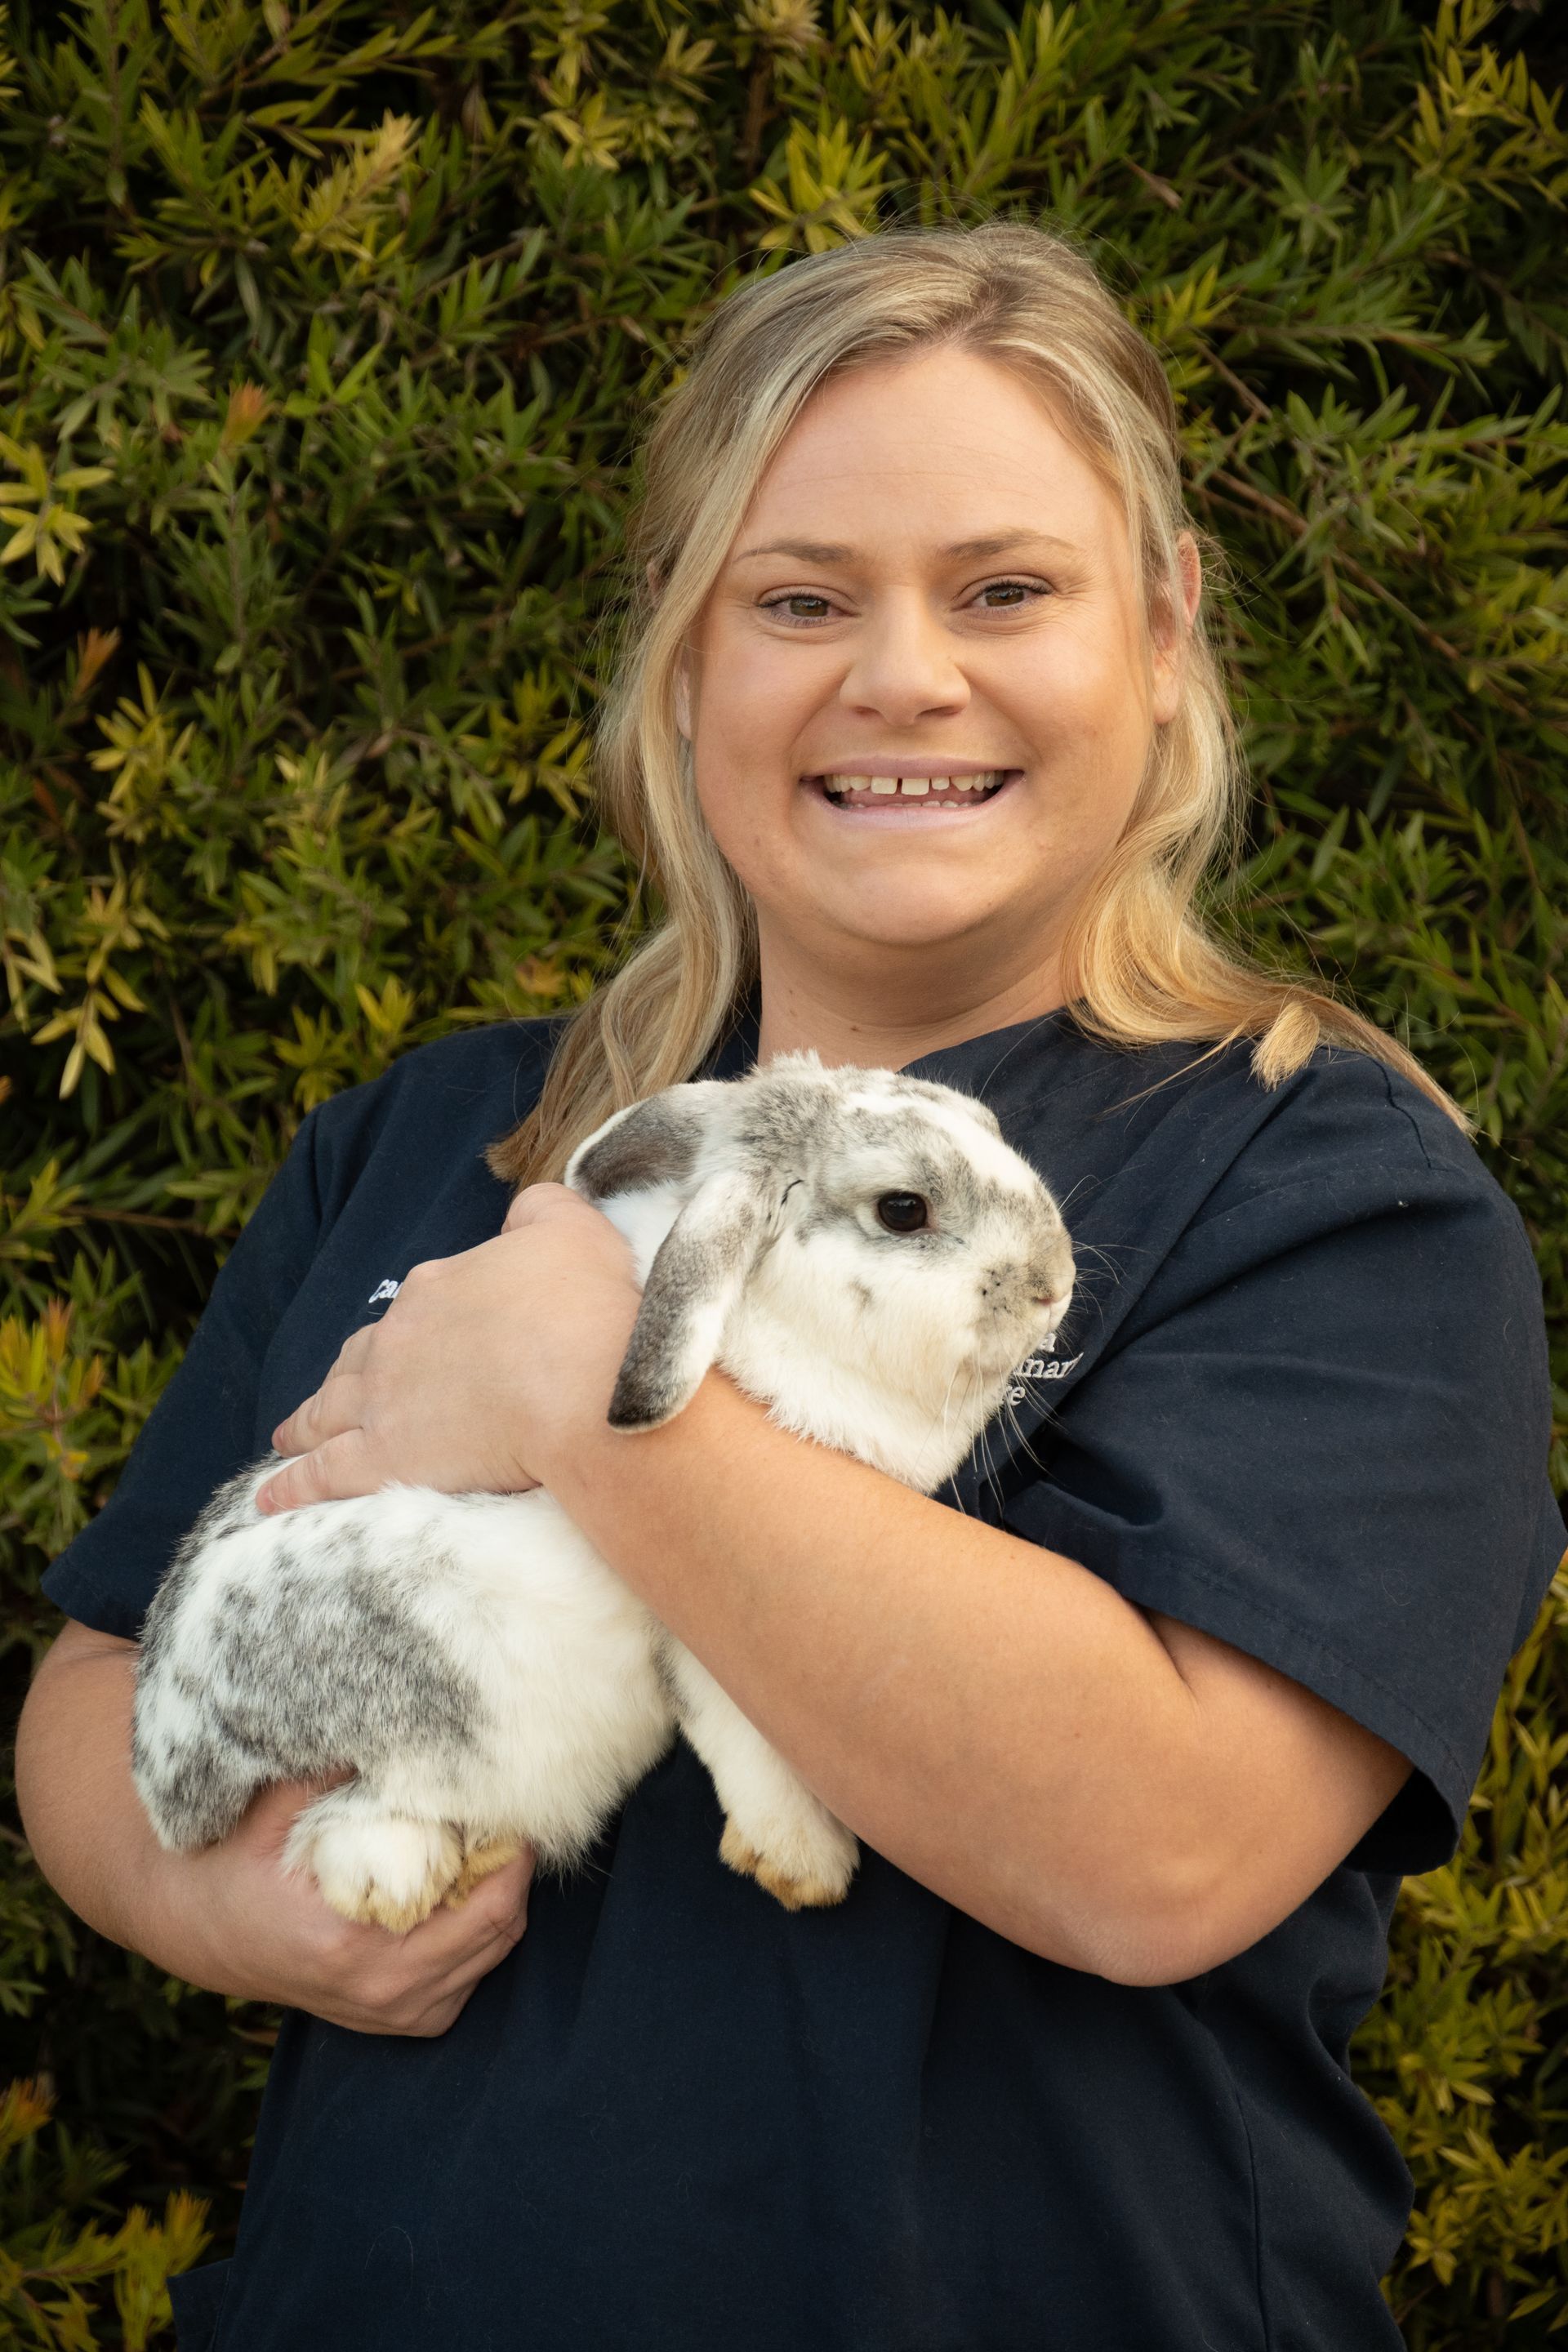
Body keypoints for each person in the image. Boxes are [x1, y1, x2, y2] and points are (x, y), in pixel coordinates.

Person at [17, 220, 1561, 2352]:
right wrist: (221, 1901)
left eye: (1005, 589)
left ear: (1167, 620)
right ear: (681, 648)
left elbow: (1161, 1856)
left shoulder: (1329, 1193)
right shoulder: (446, 1135)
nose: (904, 676)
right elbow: (99, 1689)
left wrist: (594, 1393)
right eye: (800, 599)